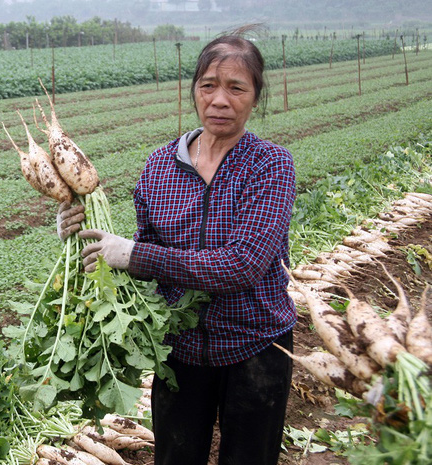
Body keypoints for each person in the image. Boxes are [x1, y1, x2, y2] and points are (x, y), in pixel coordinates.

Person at [57, 26, 297, 465]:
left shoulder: (271, 165)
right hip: (179, 351)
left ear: (255, 97)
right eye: (208, 86)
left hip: (257, 345)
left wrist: (132, 253)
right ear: (194, 92)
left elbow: (242, 265)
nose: (219, 100)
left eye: (235, 88)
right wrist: (81, 234)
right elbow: (143, 256)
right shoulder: (160, 165)